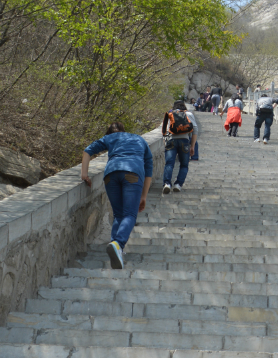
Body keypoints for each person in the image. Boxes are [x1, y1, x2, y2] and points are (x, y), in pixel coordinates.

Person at [81, 121, 153, 270]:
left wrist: (84, 175)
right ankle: (118, 244)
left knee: (119, 215)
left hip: (111, 174)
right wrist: (144, 196)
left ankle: (117, 250)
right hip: (132, 173)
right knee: (129, 215)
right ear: (124, 129)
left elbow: (87, 151)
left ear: (109, 132)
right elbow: (149, 171)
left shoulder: (109, 138)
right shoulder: (140, 139)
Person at [161, 100, 198, 194]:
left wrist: (165, 142)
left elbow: (164, 130)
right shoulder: (189, 114)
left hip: (171, 141)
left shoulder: (170, 114)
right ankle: (178, 184)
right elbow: (195, 130)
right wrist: (192, 146)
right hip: (184, 141)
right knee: (184, 165)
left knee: (169, 164)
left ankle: (167, 184)